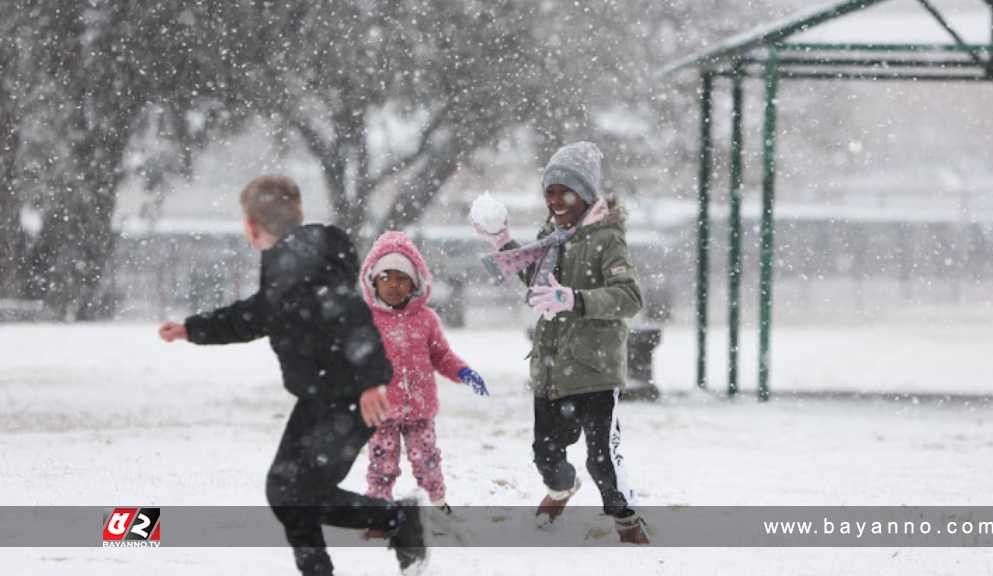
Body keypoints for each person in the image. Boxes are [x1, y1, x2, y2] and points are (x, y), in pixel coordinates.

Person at [158, 175, 428, 575]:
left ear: (251, 226)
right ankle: (346, 549)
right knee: (284, 490)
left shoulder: (306, 262)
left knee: (299, 492)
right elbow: (256, 315)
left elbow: (352, 316)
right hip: (321, 397)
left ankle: (395, 523)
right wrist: (193, 329)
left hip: (351, 400)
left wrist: (370, 380)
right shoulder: (286, 265)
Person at [477, 141, 651, 544]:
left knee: (601, 459)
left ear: (586, 193)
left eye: (565, 191)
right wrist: (502, 242)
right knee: (545, 453)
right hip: (553, 368)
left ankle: (626, 519)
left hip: (594, 370)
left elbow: (630, 296)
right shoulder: (550, 236)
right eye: (550, 192)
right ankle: (560, 489)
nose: (556, 200)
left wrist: (575, 299)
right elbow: (534, 278)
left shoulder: (607, 239)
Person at [358, 231, 488, 534]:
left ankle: (438, 504)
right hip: (381, 413)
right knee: (381, 466)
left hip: (419, 410)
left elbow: (442, 356)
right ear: (373, 282)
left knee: (426, 460)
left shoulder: (426, 319)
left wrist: (464, 372)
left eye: (402, 279)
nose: (393, 285)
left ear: (415, 284)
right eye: (386, 277)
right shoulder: (366, 321)